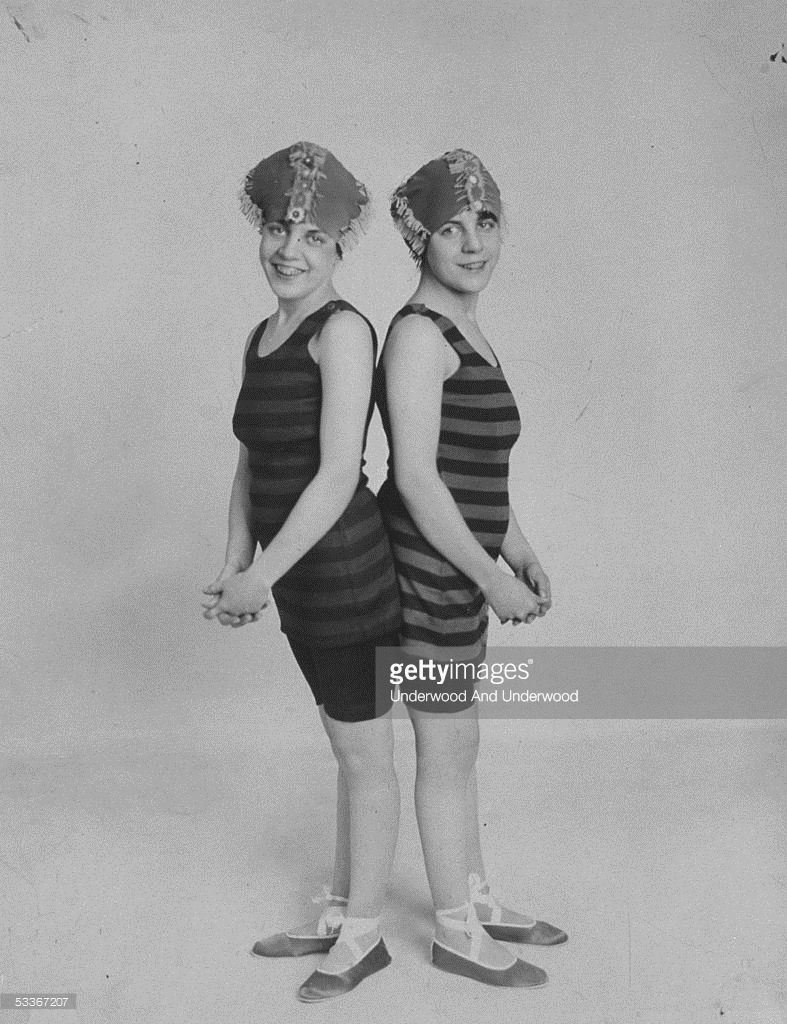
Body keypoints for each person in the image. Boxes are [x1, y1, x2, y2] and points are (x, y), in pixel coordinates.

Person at [201, 142, 401, 1002]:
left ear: (340, 247)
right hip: (295, 579)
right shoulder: (262, 334)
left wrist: (262, 575)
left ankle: (363, 937)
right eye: (279, 229)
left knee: (363, 754)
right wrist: (236, 560)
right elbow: (253, 457)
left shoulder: (342, 331)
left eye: (312, 237)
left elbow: (333, 476)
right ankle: (343, 912)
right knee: (344, 747)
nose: (289, 250)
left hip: (347, 576)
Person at [375, 149, 568, 987]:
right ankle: (455, 931)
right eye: (449, 228)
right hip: (425, 573)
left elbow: (475, 467)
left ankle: (474, 898)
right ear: (417, 239)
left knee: (460, 743)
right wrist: (490, 578)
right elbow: (417, 479)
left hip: (460, 570)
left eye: (485, 222)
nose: (472, 242)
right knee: (444, 744)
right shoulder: (419, 335)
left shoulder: (465, 328)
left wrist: (516, 546)